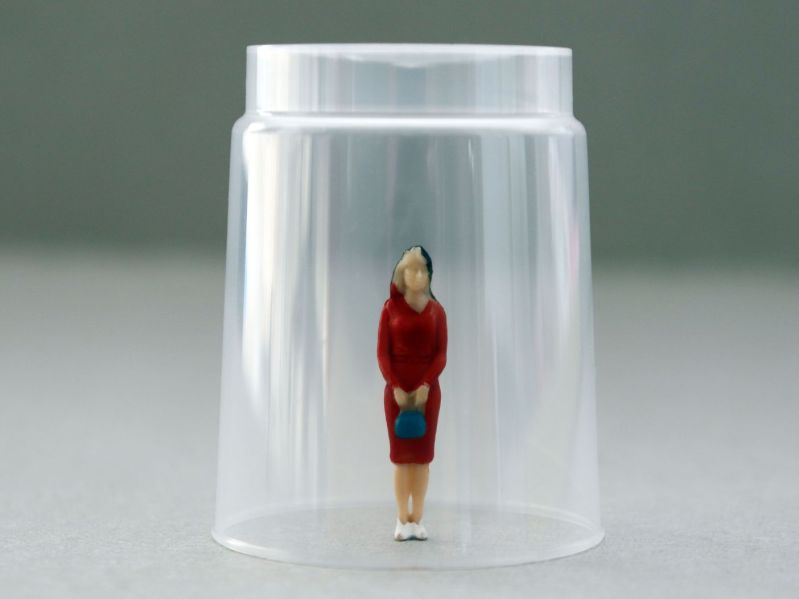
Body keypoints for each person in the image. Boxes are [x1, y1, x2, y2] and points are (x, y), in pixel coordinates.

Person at [376, 245, 447, 541]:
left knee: (422, 458)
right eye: (411, 269)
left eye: (422, 269)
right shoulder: (389, 310)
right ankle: (400, 518)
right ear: (401, 275)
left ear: (430, 275)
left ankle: (417, 517)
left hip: (427, 396)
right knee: (401, 458)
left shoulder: (437, 312)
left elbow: (441, 355)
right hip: (397, 394)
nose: (417, 275)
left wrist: (425, 385)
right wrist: (395, 386)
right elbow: (382, 354)